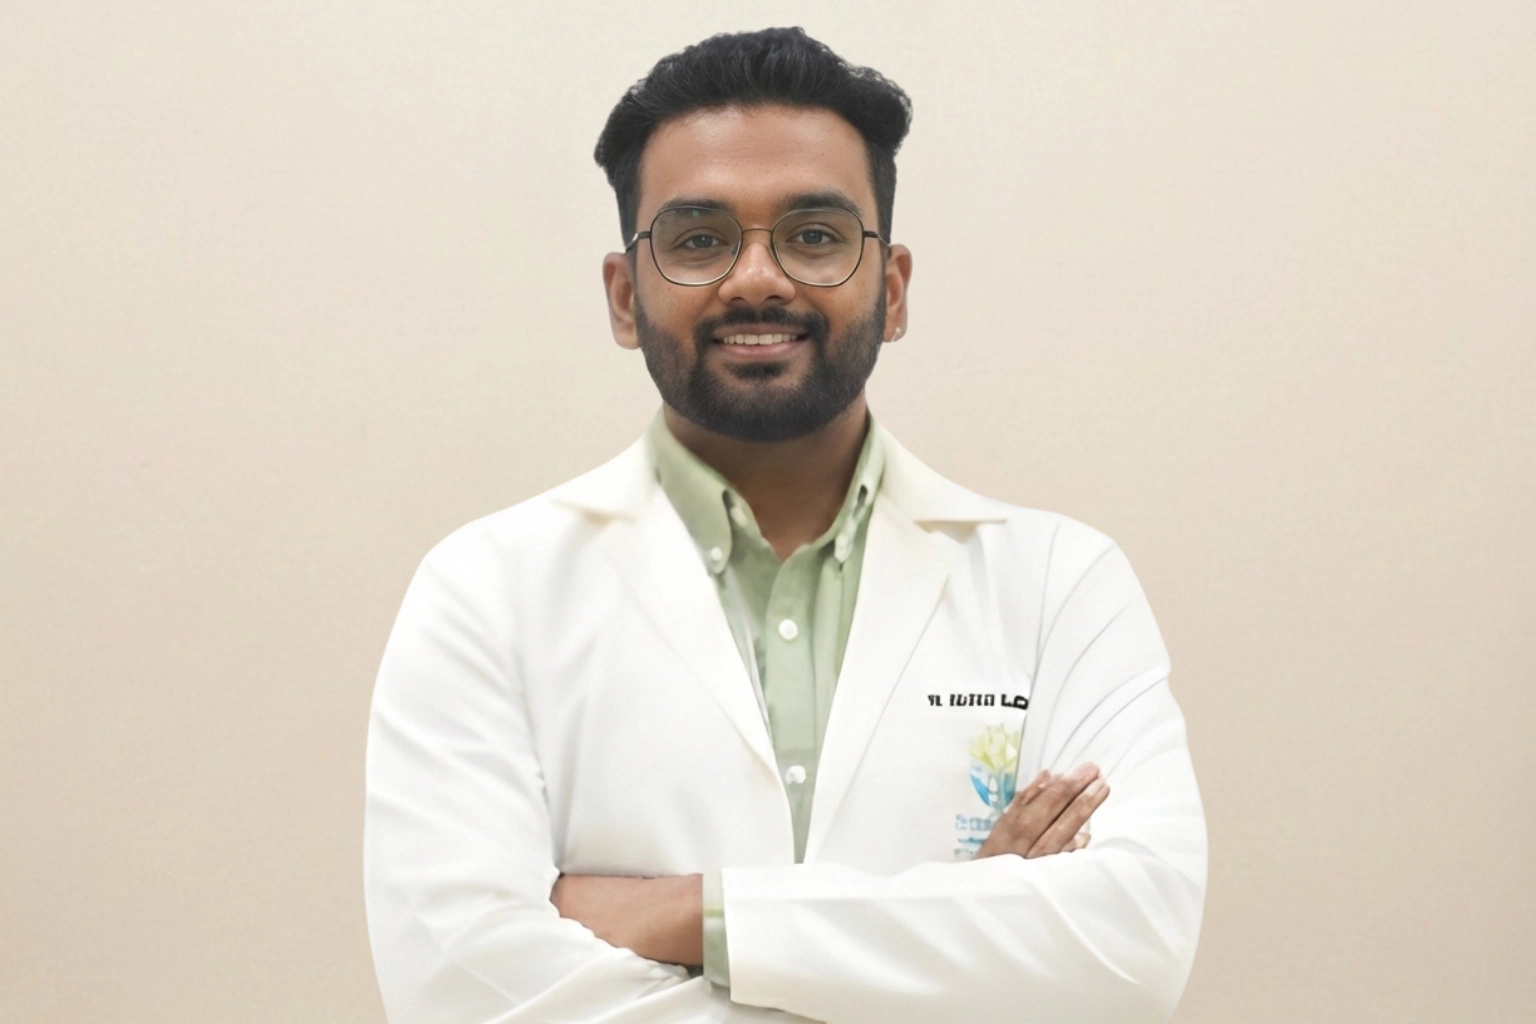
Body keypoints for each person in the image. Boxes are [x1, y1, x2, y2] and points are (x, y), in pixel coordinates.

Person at [363, 27, 1206, 1024]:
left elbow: (1131, 953)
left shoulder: (1058, 584)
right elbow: (460, 990)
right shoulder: (485, 591)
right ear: (625, 299)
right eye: (698, 239)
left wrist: (691, 914)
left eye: (813, 236)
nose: (757, 278)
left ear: (892, 290)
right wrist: (969, 927)